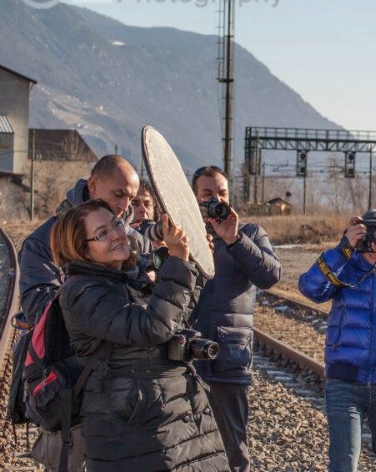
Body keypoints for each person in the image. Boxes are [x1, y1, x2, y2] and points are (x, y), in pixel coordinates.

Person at [50, 199, 229, 471]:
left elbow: (173, 318)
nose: (117, 235)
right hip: (133, 427)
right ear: (81, 249)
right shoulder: (81, 292)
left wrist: (193, 262)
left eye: (116, 224)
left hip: (168, 412)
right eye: (102, 234)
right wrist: (178, 262)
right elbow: (151, 328)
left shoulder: (127, 276)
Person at [17, 154, 140, 471]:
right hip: (76, 390)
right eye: (118, 194)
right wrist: (101, 301)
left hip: (128, 390)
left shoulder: (127, 237)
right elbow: (43, 311)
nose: (125, 205)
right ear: (93, 185)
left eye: (131, 197)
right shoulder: (42, 242)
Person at [298, 209, 376, 472]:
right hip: (345, 382)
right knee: (343, 464)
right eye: (368, 237)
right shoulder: (345, 266)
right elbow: (310, 288)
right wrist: (343, 248)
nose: (373, 246)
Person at [190, 165, 282, 472]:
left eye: (222, 193)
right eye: (207, 193)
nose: (216, 199)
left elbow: (270, 276)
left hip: (227, 356)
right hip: (182, 354)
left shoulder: (250, 234)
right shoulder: (180, 232)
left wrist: (233, 239)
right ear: (192, 197)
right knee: (182, 448)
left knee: (232, 450)